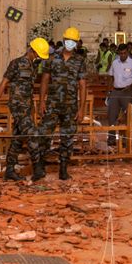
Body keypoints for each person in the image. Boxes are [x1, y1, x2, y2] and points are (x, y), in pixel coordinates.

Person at [0, 38, 50, 181]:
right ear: (32, 50)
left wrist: (32, 109)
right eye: (37, 55)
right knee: (32, 135)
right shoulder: (16, 63)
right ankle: (38, 169)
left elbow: (29, 90)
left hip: (27, 106)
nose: (38, 58)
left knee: (18, 138)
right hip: (17, 106)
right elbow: (4, 82)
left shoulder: (33, 66)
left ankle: (10, 171)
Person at [36, 26, 88, 181]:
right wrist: (41, 102)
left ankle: (63, 169)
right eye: (68, 40)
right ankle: (39, 167)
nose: (70, 43)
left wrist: (81, 109)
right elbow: (44, 80)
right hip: (52, 104)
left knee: (67, 138)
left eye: (73, 41)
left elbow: (83, 85)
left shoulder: (80, 61)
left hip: (70, 106)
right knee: (44, 134)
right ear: (64, 40)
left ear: (77, 43)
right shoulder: (52, 58)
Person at [106, 43, 132, 150]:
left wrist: (131, 87)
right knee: (112, 115)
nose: (123, 55)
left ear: (127, 52)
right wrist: (109, 90)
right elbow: (110, 76)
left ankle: (126, 139)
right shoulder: (115, 63)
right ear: (118, 53)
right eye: (120, 53)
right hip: (115, 91)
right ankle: (111, 138)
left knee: (126, 116)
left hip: (127, 91)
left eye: (124, 53)